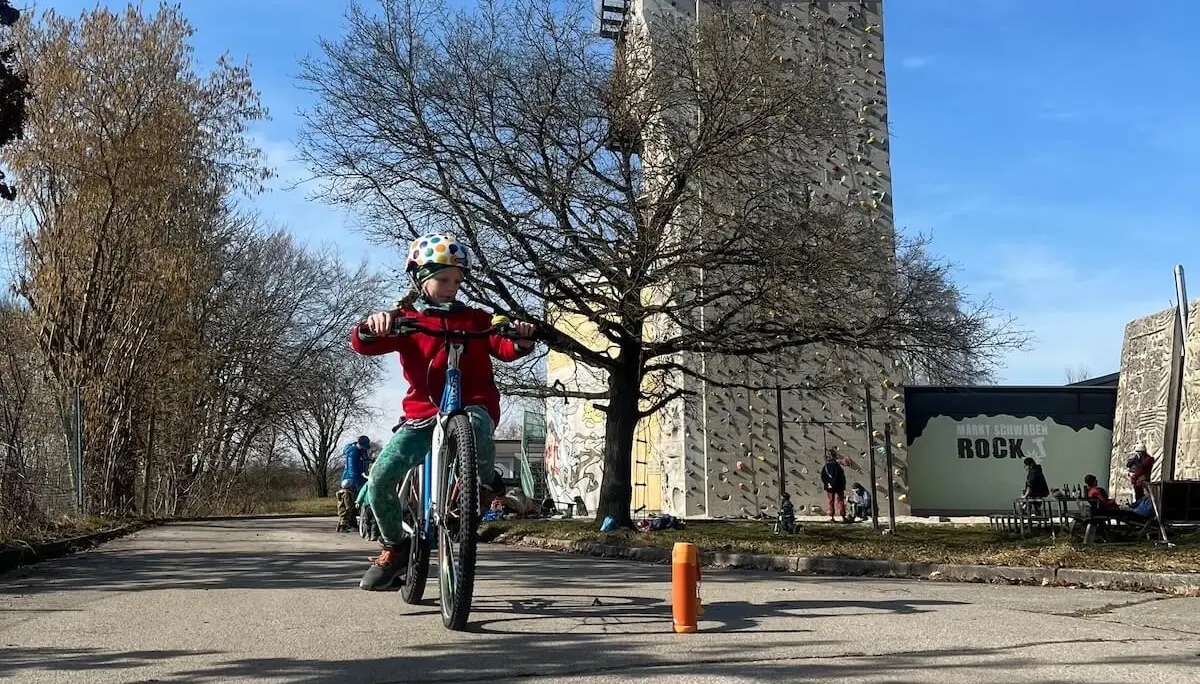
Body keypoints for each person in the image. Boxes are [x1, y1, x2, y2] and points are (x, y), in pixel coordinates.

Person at [349, 232, 535, 591]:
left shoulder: (476, 319)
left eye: (457, 281)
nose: (451, 288)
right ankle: (395, 547)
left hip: (472, 404)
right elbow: (363, 343)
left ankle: (481, 484)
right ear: (421, 280)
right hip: (422, 413)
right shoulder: (405, 319)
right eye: (443, 280)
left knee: (477, 424)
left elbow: (502, 344)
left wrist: (521, 340)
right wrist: (372, 326)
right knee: (381, 477)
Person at [334, 435, 371, 533]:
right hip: (351, 481)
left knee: (354, 503)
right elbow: (352, 469)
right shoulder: (353, 452)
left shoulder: (361, 451)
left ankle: (352, 523)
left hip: (359, 479)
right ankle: (345, 524)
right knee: (348, 503)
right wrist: (358, 484)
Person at [820, 449, 847, 522]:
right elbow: (842, 477)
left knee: (831, 501)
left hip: (829, 487)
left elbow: (823, 476)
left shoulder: (826, 467)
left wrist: (827, 484)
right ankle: (843, 516)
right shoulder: (838, 466)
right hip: (839, 486)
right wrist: (843, 485)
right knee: (840, 500)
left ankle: (832, 516)